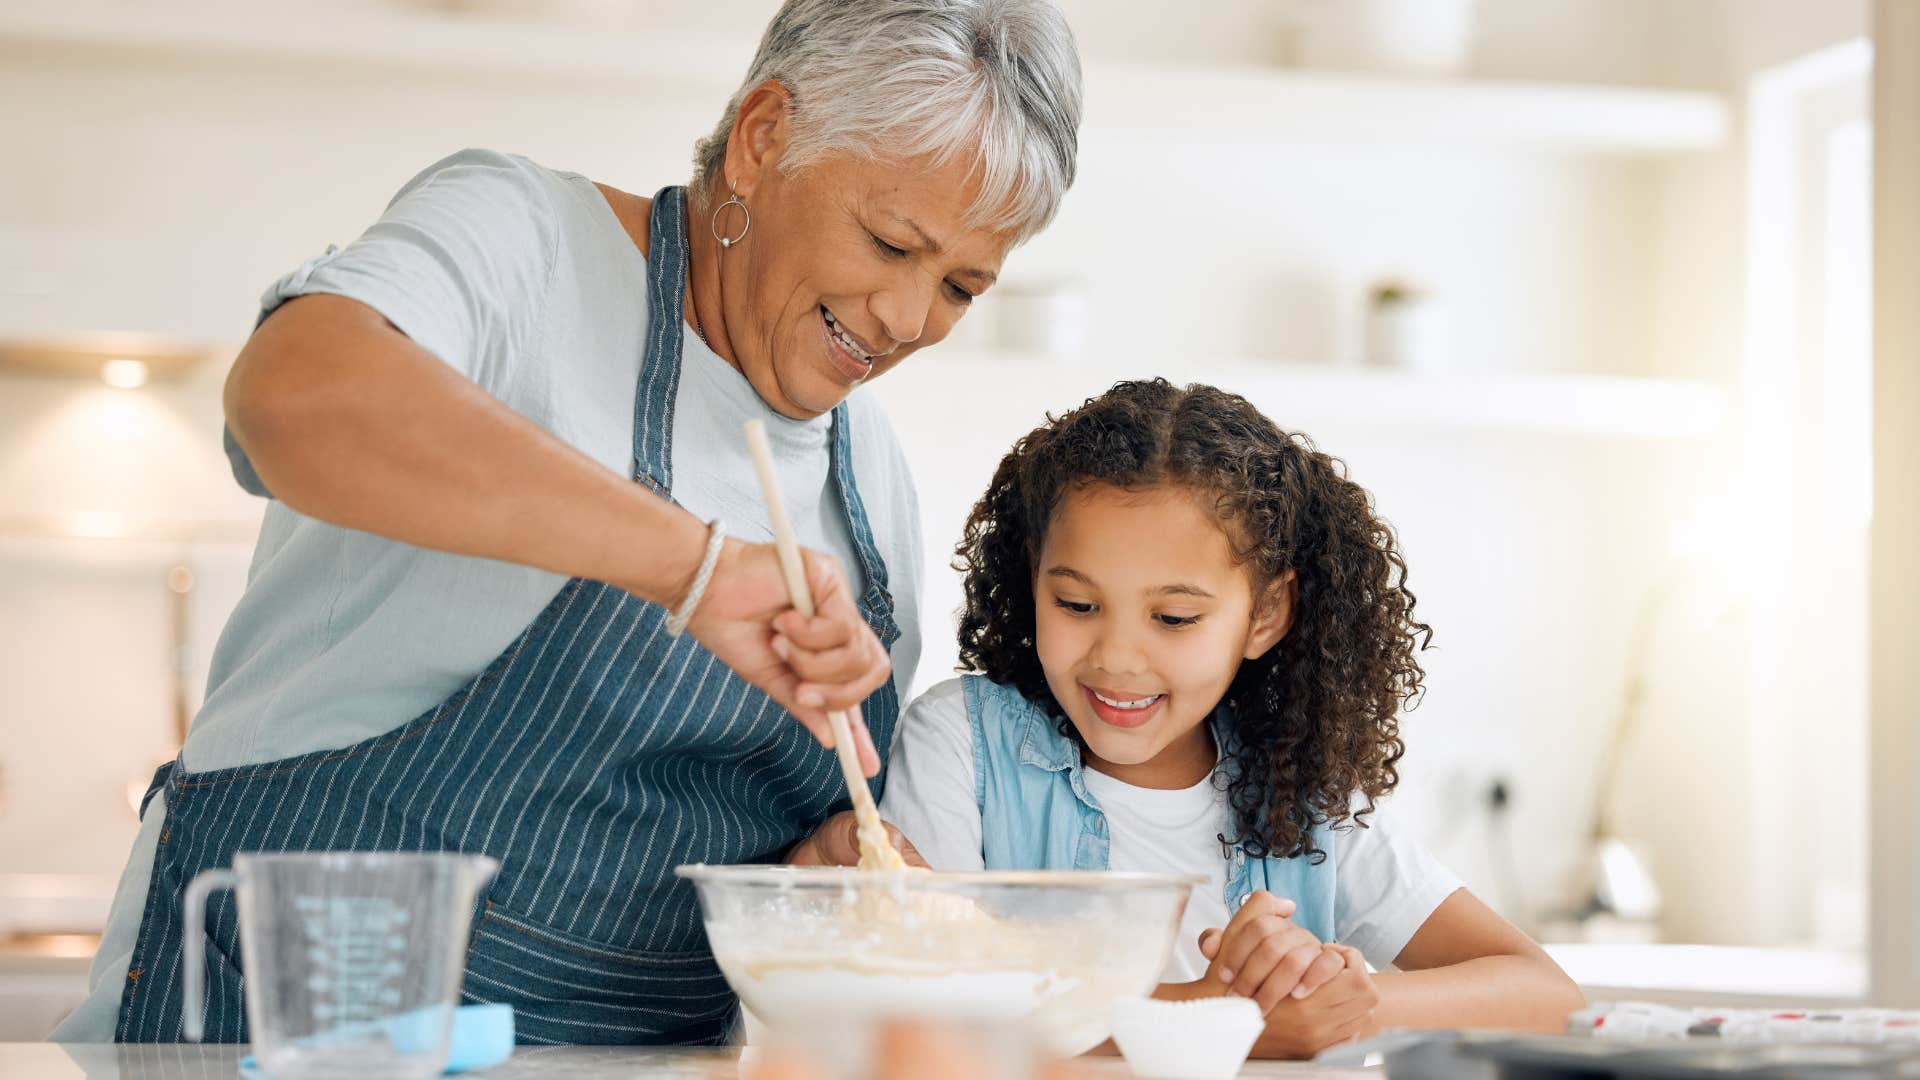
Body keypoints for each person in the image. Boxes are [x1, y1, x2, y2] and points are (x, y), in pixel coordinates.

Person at [54, 0, 1082, 1046]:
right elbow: (294, 396)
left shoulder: (872, 481)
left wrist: (808, 886)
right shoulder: (525, 241)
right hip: (293, 1034)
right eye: (888, 241)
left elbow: (745, 874)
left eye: (960, 286)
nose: (907, 321)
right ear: (765, 137)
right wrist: (696, 568)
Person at [879, 379, 1586, 1059]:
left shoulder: (1301, 789)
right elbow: (924, 1006)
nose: (1118, 658)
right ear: (1034, 577)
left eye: (1174, 617)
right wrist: (1217, 1015)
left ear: (1266, 614)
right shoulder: (960, 744)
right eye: (1077, 605)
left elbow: (1546, 994)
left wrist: (1350, 1003)